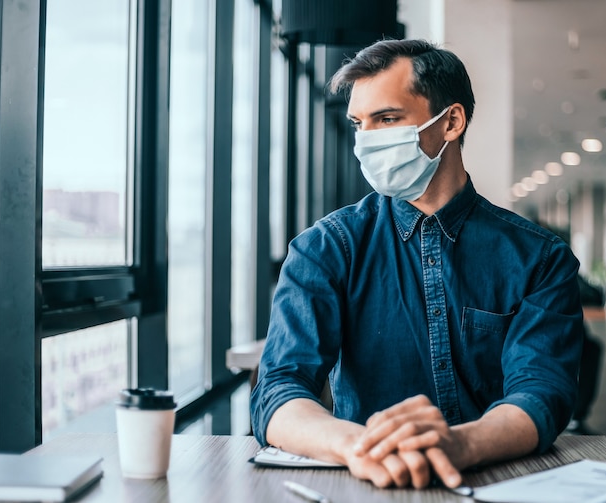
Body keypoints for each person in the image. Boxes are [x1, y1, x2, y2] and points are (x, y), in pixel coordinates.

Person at [250, 39, 583, 490]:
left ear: (451, 121)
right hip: (364, 483)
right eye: (358, 124)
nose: (367, 140)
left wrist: (459, 445)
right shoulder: (325, 248)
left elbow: (543, 393)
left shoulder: (538, 258)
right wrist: (359, 446)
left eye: (386, 119)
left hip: (495, 482)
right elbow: (279, 389)